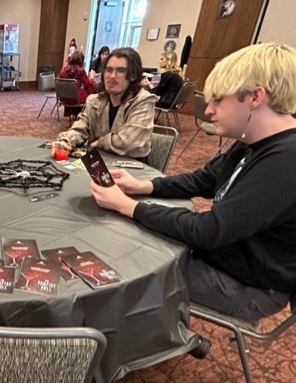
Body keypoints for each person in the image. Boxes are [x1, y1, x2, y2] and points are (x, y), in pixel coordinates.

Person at [89, 42, 296, 325]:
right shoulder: (251, 140)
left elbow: (208, 230)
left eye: (218, 100)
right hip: (222, 257)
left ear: (255, 97)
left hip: (247, 285)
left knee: (124, 265)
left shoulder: (285, 162)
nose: (208, 110)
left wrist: (129, 207)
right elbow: (205, 179)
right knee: (130, 241)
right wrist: (144, 187)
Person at [53, 47, 156, 160]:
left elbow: (127, 142)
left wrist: (97, 143)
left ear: (132, 75)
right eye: (108, 70)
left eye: (120, 70)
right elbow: (80, 128)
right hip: (99, 162)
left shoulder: (144, 100)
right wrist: (65, 140)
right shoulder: (94, 100)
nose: (112, 75)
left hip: (132, 166)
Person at [57, 51, 96, 117]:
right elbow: (87, 83)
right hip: (75, 99)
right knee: (91, 92)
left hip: (63, 98)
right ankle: (86, 115)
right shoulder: (80, 71)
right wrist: (92, 77)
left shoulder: (63, 69)